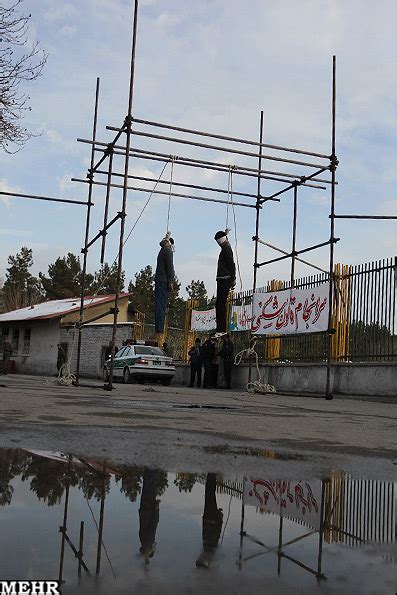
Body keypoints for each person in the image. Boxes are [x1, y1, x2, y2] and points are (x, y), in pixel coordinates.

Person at [196, 473, 223, 568]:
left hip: (210, 520)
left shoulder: (208, 549)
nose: (199, 557)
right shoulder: (210, 550)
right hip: (210, 520)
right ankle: (211, 476)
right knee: (209, 494)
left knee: (209, 494)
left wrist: (219, 518)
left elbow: (217, 534)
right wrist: (220, 519)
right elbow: (216, 534)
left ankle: (211, 477)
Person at [154, 233, 175, 343]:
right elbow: (170, 268)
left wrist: (170, 281)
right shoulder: (165, 250)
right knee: (160, 305)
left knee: (160, 305)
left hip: (162, 281)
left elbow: (170, 267)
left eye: (165, 240)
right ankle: (159, 330)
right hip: (161, 281)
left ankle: (159, 330)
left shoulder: (167, 251)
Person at [214, 230, 236, 335]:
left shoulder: (227, 249)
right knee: (219, 304)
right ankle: (220, 328)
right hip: (222, 278)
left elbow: (231, 264)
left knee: (220, 304)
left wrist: (233, 278)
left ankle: (221, 329)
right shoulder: (226, 247)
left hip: (225, 279)